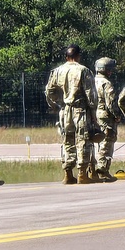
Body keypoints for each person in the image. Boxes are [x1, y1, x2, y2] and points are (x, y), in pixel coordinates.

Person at [45, 44, 99, 185]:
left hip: (65, 110)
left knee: (67, 140)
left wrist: (57, 104)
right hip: (80, 110)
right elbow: (91, 95)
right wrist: (94, 113)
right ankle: (82, 173)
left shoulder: (56, 71)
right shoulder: (84, 71)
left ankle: (68, 174)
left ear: (66, 57)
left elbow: (49, 91)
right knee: (82, 141)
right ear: (78, 56)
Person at [93, 57, 125, 182]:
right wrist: (117, 115)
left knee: (95, 142)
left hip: (93, 115)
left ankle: (92, 169)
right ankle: (103, 170)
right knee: (107, 142)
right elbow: (111, 103)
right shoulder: (106, 84)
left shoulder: (91, 81)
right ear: (107, 70)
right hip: (105, 117)